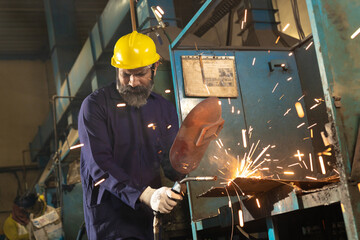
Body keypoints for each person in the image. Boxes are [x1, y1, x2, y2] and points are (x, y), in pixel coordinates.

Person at [78, 31, 184, 240]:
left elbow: (172, 159)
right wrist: (146, 195)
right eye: (126, 74)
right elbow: (100, 165)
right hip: (110, 222)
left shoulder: (162, 108)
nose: (133, 82)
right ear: (117, 69)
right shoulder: (95, 106)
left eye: (140, 73)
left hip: (148, 219)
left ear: (154, 68)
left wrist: (186, 176)